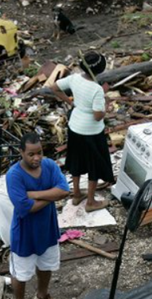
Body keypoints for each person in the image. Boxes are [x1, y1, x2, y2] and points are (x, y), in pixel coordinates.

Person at [6, 132, 70, 299]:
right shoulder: (14, 175)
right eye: (31, 154)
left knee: (47, 265)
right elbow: (26, 207)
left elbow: (65, 190)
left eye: (39, 153)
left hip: (48, 229)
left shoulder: (49, 165)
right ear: (21, 153)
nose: (36, 158)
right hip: (25, 234)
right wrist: (52, 196)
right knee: (21, 274)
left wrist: (34, 194)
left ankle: (41, 298)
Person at [50, 51, 115, 213]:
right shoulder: (97, 90)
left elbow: (54, 87)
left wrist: (70, 101)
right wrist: (107, 105)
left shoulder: (74, 78)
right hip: (92, 132)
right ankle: (91, 202)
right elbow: (98, 116)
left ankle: (77, 194)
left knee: (77, 160)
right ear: (100, 70)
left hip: (75, 127)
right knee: (94, 165)